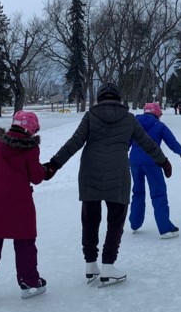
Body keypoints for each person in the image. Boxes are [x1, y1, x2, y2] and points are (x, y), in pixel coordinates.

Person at [44, 82, 172, 286]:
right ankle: (108, 266)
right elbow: (146, 142)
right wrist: (162, 161)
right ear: (119, 99)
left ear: (100, 98)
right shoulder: (128, 118)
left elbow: (74, 142)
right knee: (115, 221)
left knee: (90, 219)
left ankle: (90, 264)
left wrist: (54, 164)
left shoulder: (91, 116)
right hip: (118, 174)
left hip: (90, 172)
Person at [0, 110, 48, 303]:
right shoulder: (30, 148)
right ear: (29, 128)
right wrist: (47, 169)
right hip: (20, 202)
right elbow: (36, 177)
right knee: (25, 242)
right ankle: (29, 281)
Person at [129, 102, 181, 239]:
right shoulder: (159, 125)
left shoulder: (134, 124)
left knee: (137, 192)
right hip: (153, 160)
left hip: (134, 161)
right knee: (158, 193)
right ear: (157, 113)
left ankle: (135, 223)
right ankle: (165, 228)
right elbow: (172, 142)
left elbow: (126, 142)